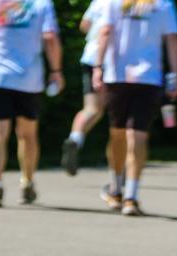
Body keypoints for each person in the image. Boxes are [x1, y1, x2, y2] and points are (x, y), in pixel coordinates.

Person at [0, 0, 63, 207]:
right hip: (29, 78)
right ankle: (27, 183)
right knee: (27, 134)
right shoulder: (41, 4)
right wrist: (56, 71)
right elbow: (50, 37)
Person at [92, 0, 177, 217]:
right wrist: (176, 75)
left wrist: (97, 67)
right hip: (148, 77)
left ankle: (117, 188)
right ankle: (131, 196)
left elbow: (105, 32)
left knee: (117, 134)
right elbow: (172, 40)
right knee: (138, 137)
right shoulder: (163, 4)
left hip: (118, 75)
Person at [62, 0, 110, 176]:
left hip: (90, 57)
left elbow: (84, 25)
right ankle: (121, 174)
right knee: (120, 120)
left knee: (91, 109)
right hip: (112, 60)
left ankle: (75, 139)